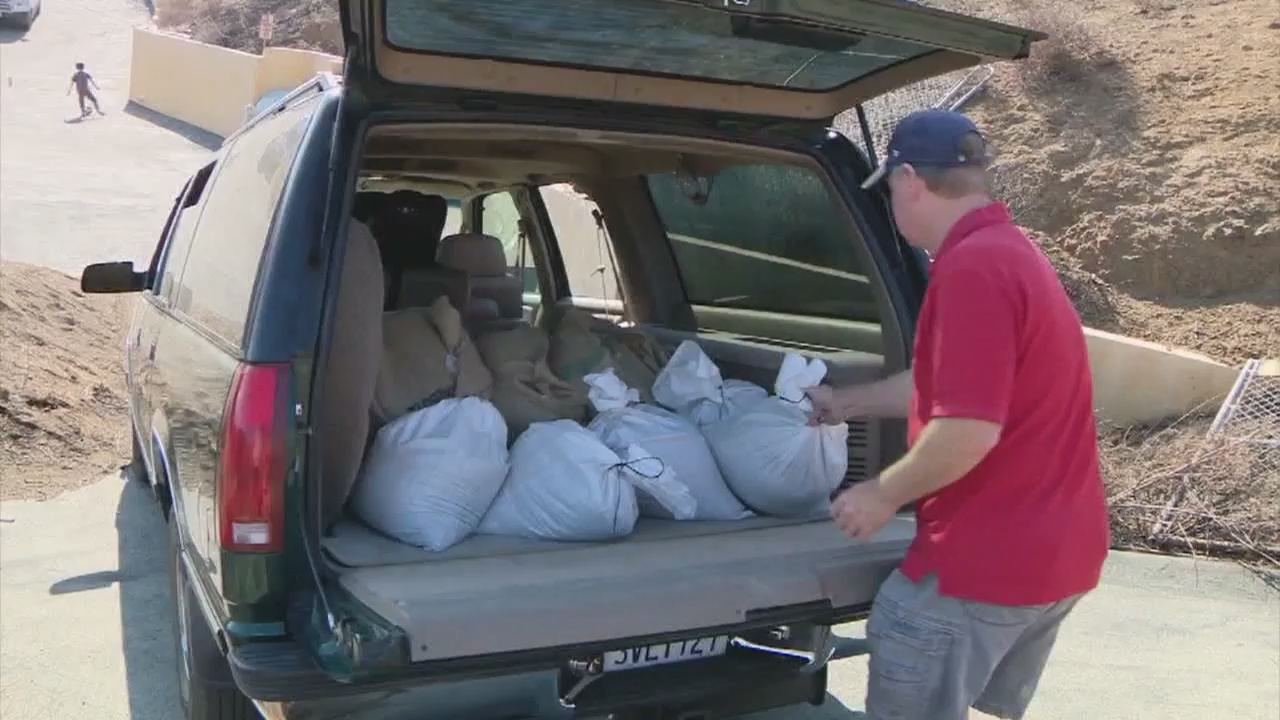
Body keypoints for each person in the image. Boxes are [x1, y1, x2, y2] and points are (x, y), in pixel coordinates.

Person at [807, 109, 1110, 720]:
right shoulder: (1009, 250)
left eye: (890, 187)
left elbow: (967, 431)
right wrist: (846, 404)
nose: (893, 200)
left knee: (905, 628)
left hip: (985, 563)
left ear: (911, 179)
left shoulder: (974, 269)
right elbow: (942, 383)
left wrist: (880, 494)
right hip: (1057, 556)